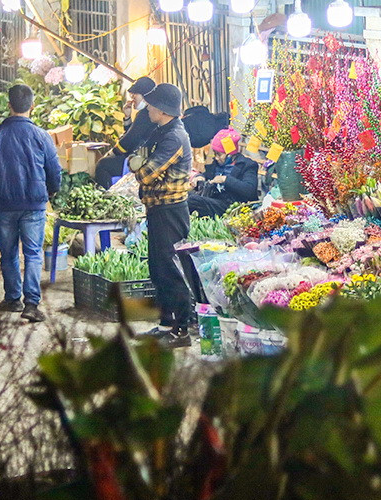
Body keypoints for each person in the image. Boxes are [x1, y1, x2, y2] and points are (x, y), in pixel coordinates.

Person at [0, 84, 62, 322]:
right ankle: (31, 304)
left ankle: (12, 299)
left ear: (9, 106)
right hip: (33, 203)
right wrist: (51, 191)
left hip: (3, 203)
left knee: (7, 254)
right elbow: (55, 171)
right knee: (33, 253)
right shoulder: (41, 136)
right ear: (32, 106)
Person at [131, 83, 195, 347]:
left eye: (151, 105)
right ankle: (166, 323)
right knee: (158, 269)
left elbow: (145, 172)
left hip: (171, 211)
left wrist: (138, 164)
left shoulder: (174, 138)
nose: (148, 109)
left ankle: (182, 331)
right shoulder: (162, 131)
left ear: (162, 110)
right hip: (158, 209)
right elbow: (138, 157)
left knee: (171, 269)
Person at [94, 76, 156, 188]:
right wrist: (127, 117)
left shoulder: (145, 114)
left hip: (145, 159)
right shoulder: (147, 112)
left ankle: (108, 197)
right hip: (142, 155)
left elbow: (129, 140)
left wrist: (112, 153)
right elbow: (134, 135)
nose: (132, 97)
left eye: (135, 94)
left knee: (102, 165)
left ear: (145, 95)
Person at [187, 128, 259, 217]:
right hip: (214, 200)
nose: (216, 158)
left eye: (219, 154)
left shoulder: (247, 165)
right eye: (215, 154)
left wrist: (225, 179)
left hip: (232, 205)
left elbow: (250, 190)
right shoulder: (216, 164)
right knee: (184, 197)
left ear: (230, 154)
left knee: (193, 200)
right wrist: (199, 177)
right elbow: (207, 176)